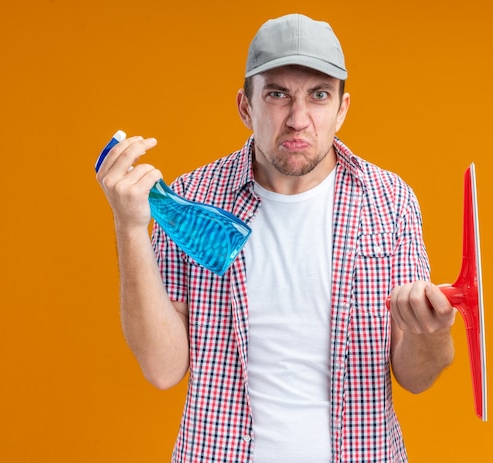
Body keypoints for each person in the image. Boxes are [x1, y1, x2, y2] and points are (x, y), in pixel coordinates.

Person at [96, 13, 456, 463]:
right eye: (278, 95)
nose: (298, 119)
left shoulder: (389, 201)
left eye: (319, 95)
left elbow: (416, 375)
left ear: (342, 109)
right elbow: (163, 368)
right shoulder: (193, 198)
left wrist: (433, 332)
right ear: (246, 107)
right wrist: (130, 228)